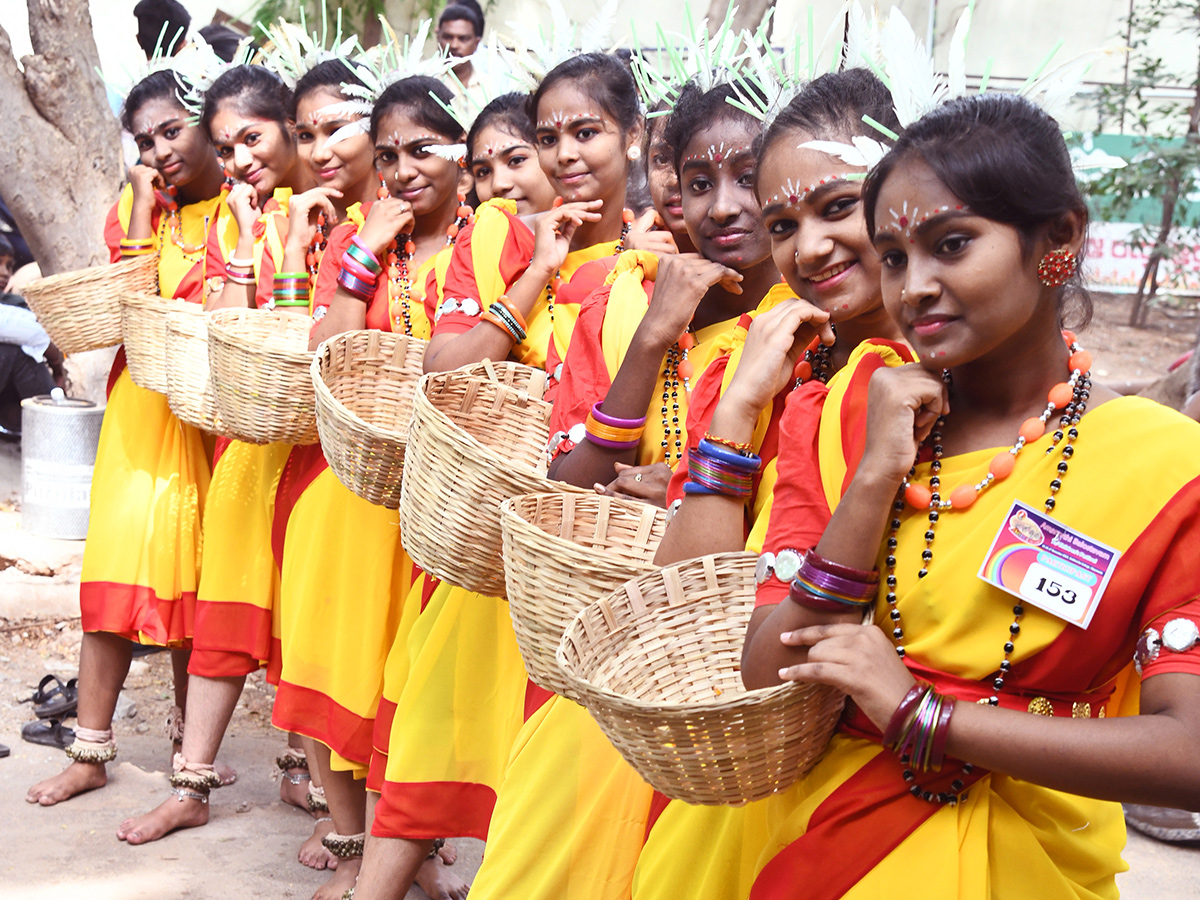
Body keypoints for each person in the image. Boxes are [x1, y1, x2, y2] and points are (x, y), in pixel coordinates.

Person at [740, 91, 1200, 899]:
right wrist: (876, 477)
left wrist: (923, 717)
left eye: (951, 244)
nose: (914, 287)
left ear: (1058, 239)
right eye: (892, 255)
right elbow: (765, 667)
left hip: (1026, 864)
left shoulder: (1166, 467)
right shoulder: (841, 412)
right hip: (799, 837)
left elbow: (1189, 753)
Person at [352, 51, 646, 900]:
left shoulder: (660, 259)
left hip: (598, 563)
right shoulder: (513, 243)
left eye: (585, 132)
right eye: (547, 137)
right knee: (431, 744)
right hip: (502, 552)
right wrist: (537, 273)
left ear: (633, 136)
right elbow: (443, 369)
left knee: (555, 795)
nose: (563, 155)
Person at [632, 68, 913, 900]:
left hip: (914, 779)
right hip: (761, 745)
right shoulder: (786, 363)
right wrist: (743, 408)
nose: (810, 247)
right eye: (784, 221)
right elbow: (685, 598)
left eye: (836, 207)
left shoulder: (972, 390)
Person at [112, 57, 368, 863]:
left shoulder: (354, 216)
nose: (239, 161)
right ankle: (191, 787)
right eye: (224, 149)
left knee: (312, 631)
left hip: (329, 457)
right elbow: (228, 326)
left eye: (252, 138)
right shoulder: (240, 216)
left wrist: (288, 249)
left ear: (289, 129)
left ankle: (326, 797)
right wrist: (262, 242)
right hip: (252, 446)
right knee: (228, 618)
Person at [271, 72, 471, 900]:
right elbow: (331, 352)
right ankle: (356, 840)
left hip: (437, 502)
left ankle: (409, 845)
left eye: (423, 148)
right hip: (349, 493)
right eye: (388, 154)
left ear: (463, 153)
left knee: (409, 680)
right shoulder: (360, 237)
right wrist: (361, 253)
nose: (403, 168)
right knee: (340, 665)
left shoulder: (486, 240)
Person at [25, 61, 226, 808]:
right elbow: (131, 297)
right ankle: (90, 749)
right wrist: (143, 200)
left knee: (199, 586)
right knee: (112, 579)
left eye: (174, 130)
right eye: (145, 142)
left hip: (215, 424)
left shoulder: (249, 211)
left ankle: (189, 747)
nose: (161, 151)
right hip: (143, 415)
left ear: (212, 123)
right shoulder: (142, 207)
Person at [436, 3, 483, 90]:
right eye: (448, 37)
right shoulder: (420, 76)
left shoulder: (489, 87)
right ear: (438, 37)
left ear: (476, 43)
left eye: (463, 39)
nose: (454, 45)